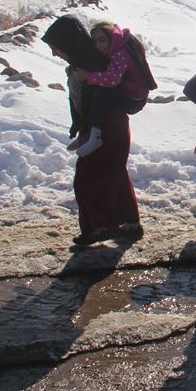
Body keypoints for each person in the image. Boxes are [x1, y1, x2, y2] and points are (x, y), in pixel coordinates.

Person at [42, 15, 143, 246]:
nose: (54, 53)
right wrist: (80, 127)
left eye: (55, 47)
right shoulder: (83, 62)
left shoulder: (89, 65)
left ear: (66, 42)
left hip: (107, 126)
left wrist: (92, 131)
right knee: (113, 172)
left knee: (86, 176)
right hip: (108, 125)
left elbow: (98, 99)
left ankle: (98, 227)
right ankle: (130, 223)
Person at [71, 21, 157, 158]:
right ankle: (86, 132)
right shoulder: (122, 45)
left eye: (102, 40)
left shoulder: (121, 54)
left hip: (133, 99)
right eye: (95, 42)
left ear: (112, 37)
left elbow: (112, 79)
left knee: (100, 91)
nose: (99, 46)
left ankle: (95, 136)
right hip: (133, 95)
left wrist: (87, 76)